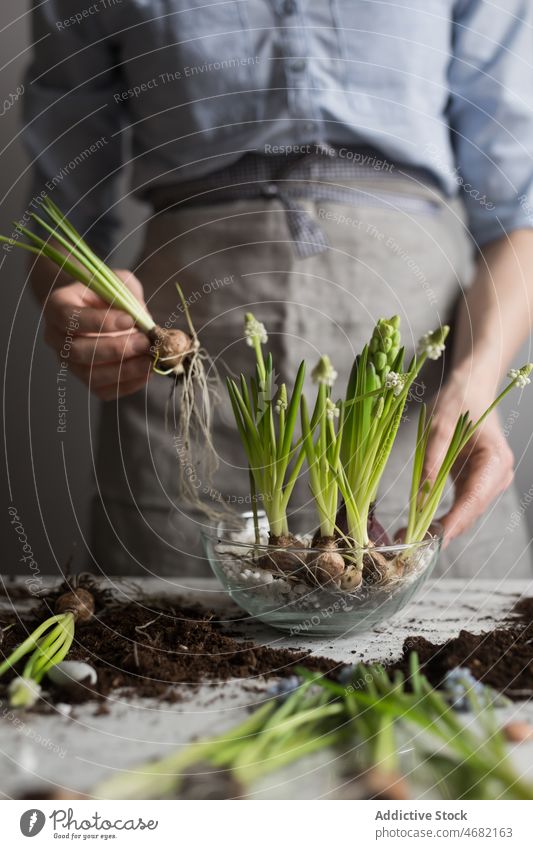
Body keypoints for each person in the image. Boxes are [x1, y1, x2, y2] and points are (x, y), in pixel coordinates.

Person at [24, 0, 533, 578]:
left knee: (440, 640)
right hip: (191, 350)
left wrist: (476, 377)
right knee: (174, 639)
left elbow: (520, 213)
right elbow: (58, 212)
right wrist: (70, 300)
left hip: (416, 357)